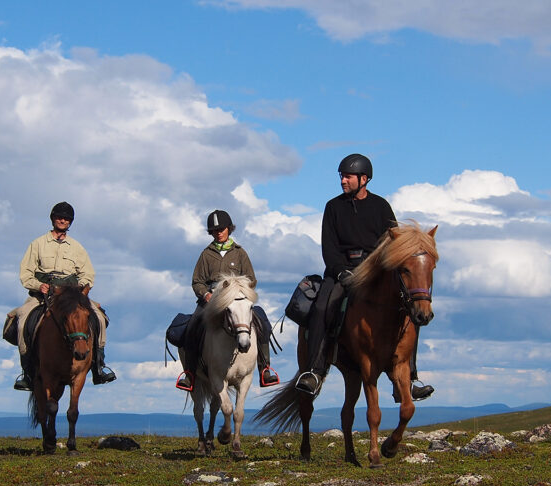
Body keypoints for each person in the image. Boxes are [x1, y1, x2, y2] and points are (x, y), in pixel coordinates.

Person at [294, 153, 434, 400]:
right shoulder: (333, 207)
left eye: (348, 177)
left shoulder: (381, 206)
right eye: (342, 176)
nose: (343, 181)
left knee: (410, 309)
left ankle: (410, 378)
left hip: (373, 272)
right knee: (320, 308)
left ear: (364, 179)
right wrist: (340, 271)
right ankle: (314, 372)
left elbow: (392, 243)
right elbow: (329, 247)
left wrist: (376, 269)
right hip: (341, 273)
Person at [11, 201, 116, 391]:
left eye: (66, 218)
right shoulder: (37, 244)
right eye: (59, 217)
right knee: (21, 319)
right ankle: (26, 372)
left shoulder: (76, 247)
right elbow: (26, 273)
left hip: (71, 295)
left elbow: (88, 274)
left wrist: (82, 289)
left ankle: (99, 366)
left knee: (99, 317)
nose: (62, 220)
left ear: (70, 222)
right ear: (53, 219)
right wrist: (38, 285)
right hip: (43, 294)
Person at [176, 209, 279, 391]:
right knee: (192, 327)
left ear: (229, 229)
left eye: (222, 229)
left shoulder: (240, 253)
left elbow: (252, 279)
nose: (219, 232)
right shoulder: (206, 254)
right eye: (215, 230)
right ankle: (190, 374)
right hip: (211, 301)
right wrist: (205, 294)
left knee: (263, 322)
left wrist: (239, 288)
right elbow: (197, 281)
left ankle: (266, 369)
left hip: (237, 300)